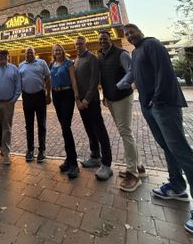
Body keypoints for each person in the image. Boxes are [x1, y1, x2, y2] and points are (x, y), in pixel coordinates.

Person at [123, 24, 193, 234]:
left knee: (180, 150)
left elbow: (165, 72)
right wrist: (118, 85)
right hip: (148, 107)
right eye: (126, 34)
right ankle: (177, 186)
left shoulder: (152, 44)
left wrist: (158, 98)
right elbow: (133, 75)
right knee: (167, 147)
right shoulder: (135, 53)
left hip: (163, 105)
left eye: (131, 31)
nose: (129, 35)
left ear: (140, 32)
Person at [98, 31, 145, 190]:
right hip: (110, 99)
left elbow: (132, 72)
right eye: (100, 39)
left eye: (105, 38)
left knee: (125, 131)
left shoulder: (122, 53)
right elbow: (104, 78)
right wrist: (104, 94)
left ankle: (133, 174)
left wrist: (121, 85)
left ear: (110, 39)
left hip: (123, 97)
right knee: (124, 131)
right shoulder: (101, 55)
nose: (102, 41)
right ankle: (138, 166)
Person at [73, 36, 113, 181]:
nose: (78, 46)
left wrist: (87, 99)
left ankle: (107, 163)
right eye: (76, 44)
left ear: (86, 44)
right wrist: (78, 100)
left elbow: (94, 81)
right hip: (81, 103)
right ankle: (95, 155)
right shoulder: (76, 60)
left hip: (91, 101)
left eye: (80, 43)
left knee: (100, 130)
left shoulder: (92, 58)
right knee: (89, 129)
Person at [50, 44, 80, 179]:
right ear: (53, 53)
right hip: (56, 95)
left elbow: (74, 81)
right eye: (55, 50)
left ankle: (74, 164)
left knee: (66, 127)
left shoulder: (69, 63)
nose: (57, 52)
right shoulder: (52, 64)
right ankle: (68, 160)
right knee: (64, 127)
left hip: (67, 94)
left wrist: (77, 98)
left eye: (59, 50)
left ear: (63, 51)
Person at [19, 47, 51, 163]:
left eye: (31, 52)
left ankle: (42, 150)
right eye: (27, 52)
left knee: (41, 124)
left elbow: (48, 77)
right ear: (25, 54)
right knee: (29, 125)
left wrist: (48, 94)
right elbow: (19, 80)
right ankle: (30, 150)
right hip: (27, 97)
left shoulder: (41, 63)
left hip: (40, 96)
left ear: (34, 54)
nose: (29, 54)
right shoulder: (21, 65)